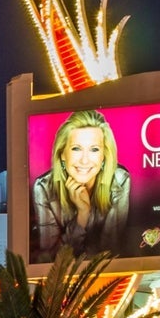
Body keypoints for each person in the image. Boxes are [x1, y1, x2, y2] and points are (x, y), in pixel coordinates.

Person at [30, 110, 130, 259]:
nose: (84, 160)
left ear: (104, 156)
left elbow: (110, 252)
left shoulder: (119, 180)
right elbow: (50, 259)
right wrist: (82, 216)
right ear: (62, 154)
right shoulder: (44, 188)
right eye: (76, 148)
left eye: (94, 149)